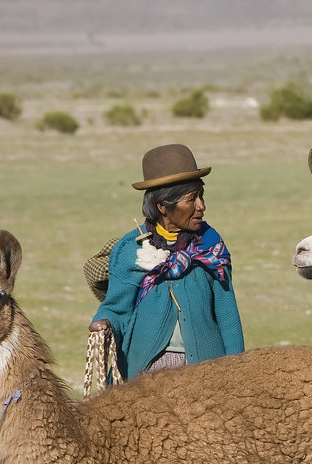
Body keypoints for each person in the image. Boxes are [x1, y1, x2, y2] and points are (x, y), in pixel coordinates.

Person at [90, 143, 243, 379]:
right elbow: (117, 308)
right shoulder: (131, 248)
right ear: (162, 206)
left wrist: (238, 371)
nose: (201, 206)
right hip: (144, 374)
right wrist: (104, 325)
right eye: (191, 199)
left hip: (207, 373)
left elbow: (227, 313)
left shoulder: (211, 246)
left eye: (201, 196)